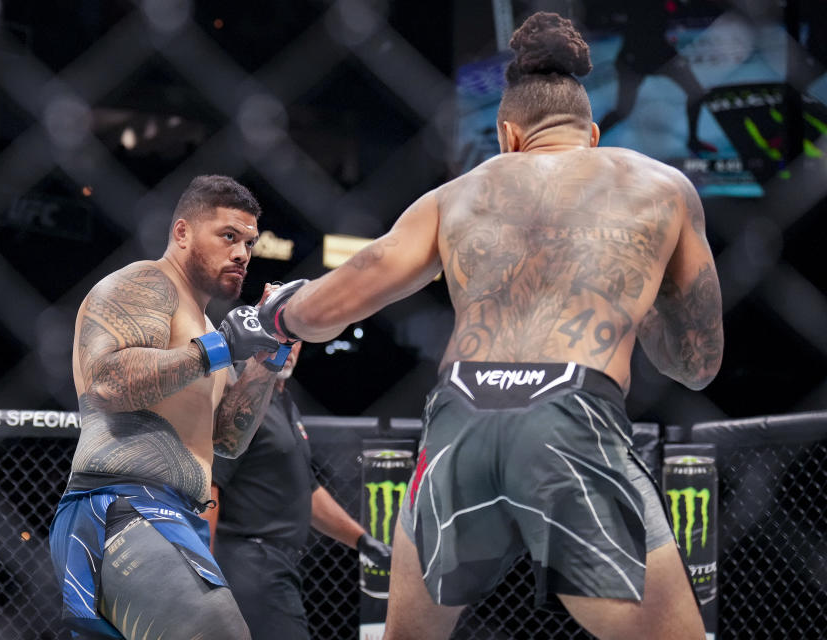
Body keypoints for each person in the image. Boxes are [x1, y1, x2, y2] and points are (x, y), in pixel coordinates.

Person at [257, 12, 723, 640]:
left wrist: (275, 313)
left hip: (460, 415)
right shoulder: (662, 187)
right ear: (593, 132)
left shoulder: (460, 193)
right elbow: (698, 363)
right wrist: (635, 303)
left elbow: (329, 306)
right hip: (572, 411)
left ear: (507, 134)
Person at [49, 175, 291, 640]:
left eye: (249, 242)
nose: (242, 253)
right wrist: (221, 346)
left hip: (171, 515)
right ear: (182, 233)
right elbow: (107, 382)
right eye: (228, 236)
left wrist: (270, 354)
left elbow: (228, 440)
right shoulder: (147, 284)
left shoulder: (203, 325)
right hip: (123, 507)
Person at [198, 340, 393, 639]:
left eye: (295, 339)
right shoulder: (242, 400)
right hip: (247, 564)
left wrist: (363, 541)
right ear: (257, 338)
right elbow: (210, 485)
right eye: (279, 337)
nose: (289, 348)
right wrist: (205, 577)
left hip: (277, 565)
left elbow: (308, 492)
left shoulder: (284, 402)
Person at [596, 2, 718, 154]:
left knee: (696, 93)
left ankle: (693, 140)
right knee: (623, 110)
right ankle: (590, 142)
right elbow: (636, 30)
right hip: (637, 58)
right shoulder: (642, 8)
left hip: (658, 55)